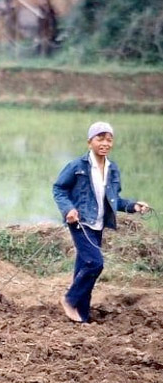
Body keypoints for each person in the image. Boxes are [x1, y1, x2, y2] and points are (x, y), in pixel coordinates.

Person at [53, 121, 149, 323]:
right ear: (90, 142)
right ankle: (69, 300)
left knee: (83, 270)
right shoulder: (77, 166)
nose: (105, 143)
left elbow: (115, 199)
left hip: (98, 225)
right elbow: (59, 189)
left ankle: (82, 317)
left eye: (109, 139)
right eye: (100, 138)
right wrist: (68, 209)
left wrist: (133, 206)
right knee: (95, 263)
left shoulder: (112, 170)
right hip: (81, 222)